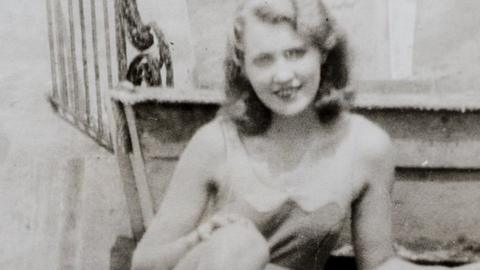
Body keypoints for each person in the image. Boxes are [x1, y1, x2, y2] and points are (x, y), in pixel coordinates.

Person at [131, 0, 480, 269]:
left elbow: (379, 264)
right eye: (263, 60)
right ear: (244, 70)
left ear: (323, 55)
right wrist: (197, 241)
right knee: (239, 243)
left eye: (296, 53)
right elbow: (143, 263)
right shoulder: (215, 143)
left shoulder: (367, 147)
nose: (283, 75)